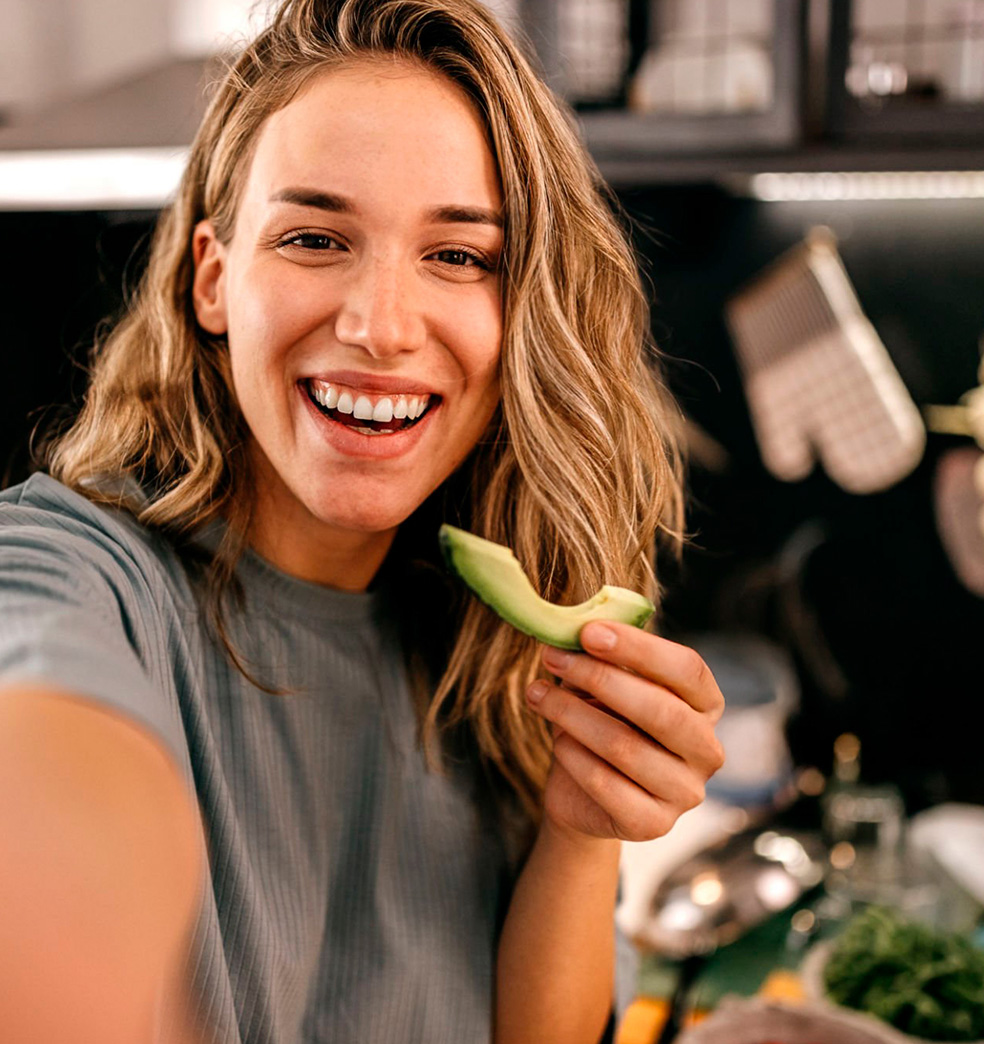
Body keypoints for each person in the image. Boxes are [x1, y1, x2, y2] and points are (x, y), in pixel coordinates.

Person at [0, 1, 725, 1042]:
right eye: (313, 238)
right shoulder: (79, 575)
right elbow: (36, 749)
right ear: (214, 280)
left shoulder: (499, 646)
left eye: (460, 256)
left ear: (521, 307)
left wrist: (583, 828)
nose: (379, 327)